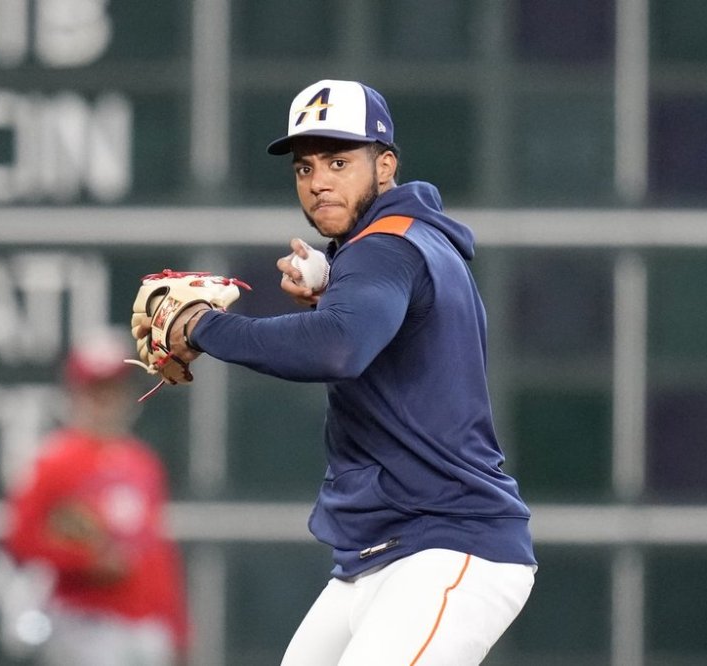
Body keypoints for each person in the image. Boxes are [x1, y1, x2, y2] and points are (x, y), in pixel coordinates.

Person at [145, 79, 537, 665]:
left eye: (338, 161)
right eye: (305, 168)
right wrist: (333, 279)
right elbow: (388, 306)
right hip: (379, 556)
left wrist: (203, 326)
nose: (319, 181)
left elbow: (337, 348)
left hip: (451, 546)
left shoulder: (384, 249)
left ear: (385, 167)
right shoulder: (407, 242)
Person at [4, 329, 190, 666]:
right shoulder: (52, 460)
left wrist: (178, 631)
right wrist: (86, 561)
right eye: (95, 389)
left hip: (147, 627)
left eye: (113, 388)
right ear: (75, 393)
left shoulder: (143, 462)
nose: (105, 399)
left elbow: (157, 553)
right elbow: (20, 541)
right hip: (84, 622)